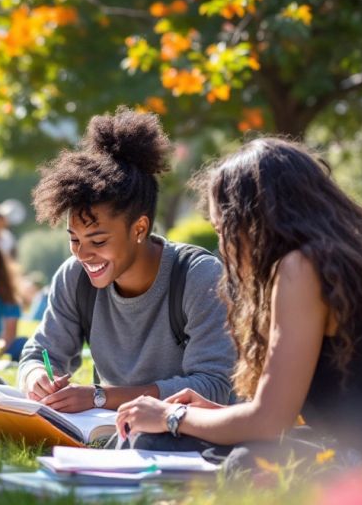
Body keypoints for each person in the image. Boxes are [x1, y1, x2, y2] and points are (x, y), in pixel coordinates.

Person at [118, 138, 362, 469]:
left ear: (251, 222)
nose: (223, 248)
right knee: (169, 440)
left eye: (223, 230)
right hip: (352, 445)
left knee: (242, 462)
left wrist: (173, 415)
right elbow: (290, 413)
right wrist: (213, 416)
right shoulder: (341, 259)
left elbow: (269, 421)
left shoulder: (300, 269)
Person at [18, 108, 236, 420]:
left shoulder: (199, 276)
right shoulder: (74, 277)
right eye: (74, 239)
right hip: (117, 426)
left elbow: (213, 386)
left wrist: (100, 396)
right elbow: (38, 353)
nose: (82, 254)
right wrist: (35, 375)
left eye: (98, 240)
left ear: (139, 229)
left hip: (192, 431)